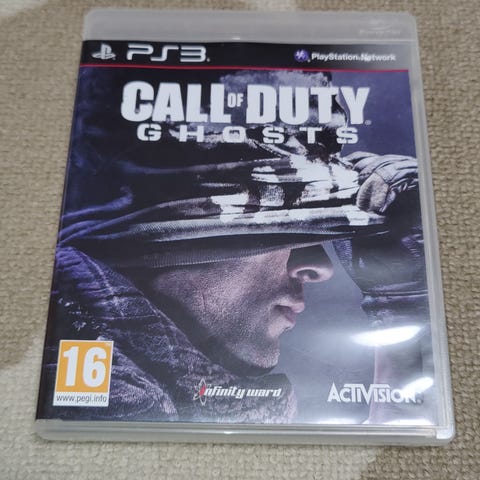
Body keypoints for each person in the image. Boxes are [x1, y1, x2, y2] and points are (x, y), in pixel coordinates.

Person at [38, 69, 430, 425]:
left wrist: (402, 315)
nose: (321, 267)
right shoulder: (80, 398)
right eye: (279, 223)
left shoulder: (115, 389)